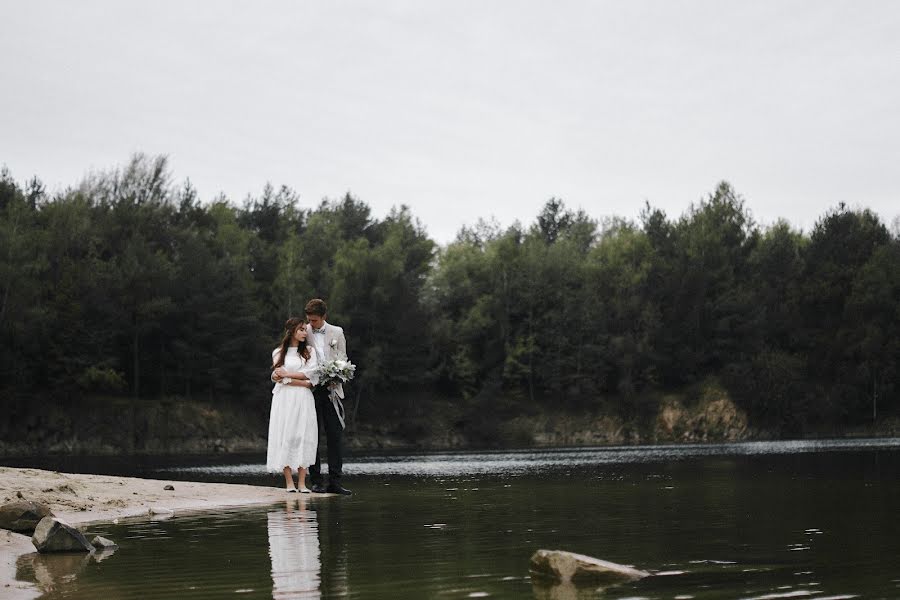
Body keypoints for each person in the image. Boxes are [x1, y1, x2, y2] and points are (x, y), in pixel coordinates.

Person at [304, 298, 352, 495]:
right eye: (309, 320)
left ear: (324, 317)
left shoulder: (337, 332)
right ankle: (316, 481)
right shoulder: (303, 331)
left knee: (335, 436)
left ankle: (335, 482)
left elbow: (343, 359)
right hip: (310, 389)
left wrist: (338, 376)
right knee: (313, 436)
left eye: (314, 320)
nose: (311, 324)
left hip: (332, 390)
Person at [267, 317, 320, 493]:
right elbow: (277, 377)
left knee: (303, 436)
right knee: (286, 435)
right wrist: (293, 378)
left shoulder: (309, 352)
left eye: (305, 329)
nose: (305, 332)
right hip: (284, 400)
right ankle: (289, 482)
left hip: (303, 399)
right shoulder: (278, 352)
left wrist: (289, 376)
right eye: (301, 329)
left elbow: (310, 375)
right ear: (292, 331)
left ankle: (303, 483)